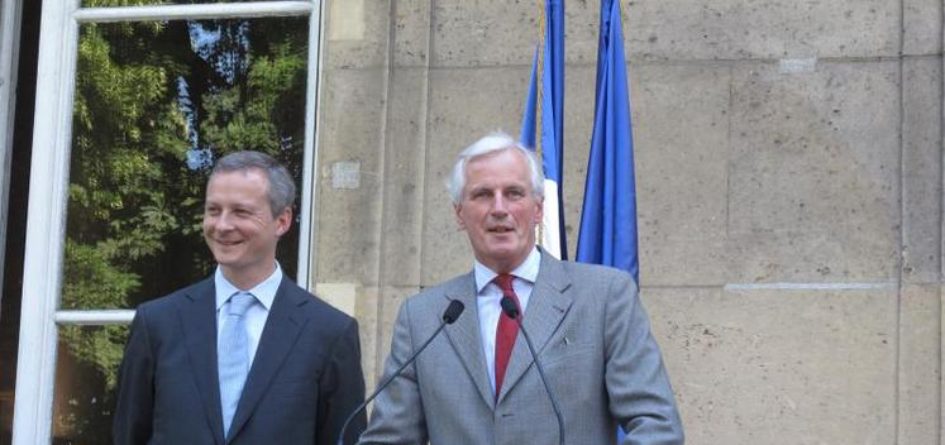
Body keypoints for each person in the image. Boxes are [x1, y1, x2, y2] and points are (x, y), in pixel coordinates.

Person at [358, 132, 684, 444]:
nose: (499, 208)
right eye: (482, 194)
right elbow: (390, 437)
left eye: (514, 193)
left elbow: (657, 426)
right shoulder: (423, 317)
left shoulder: (604, 296)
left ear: (538, 209)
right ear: (459, 213)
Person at [113, 151, 366, 444]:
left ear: (282, 221)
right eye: (213, 210)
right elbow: (128, 435)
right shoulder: (157, 323)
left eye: (241, 212)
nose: (221, 225)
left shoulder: (330, 332)